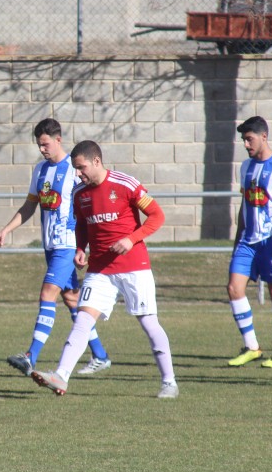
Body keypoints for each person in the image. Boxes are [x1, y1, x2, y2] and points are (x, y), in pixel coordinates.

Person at [30, 141, 179, 399]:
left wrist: (131, 239)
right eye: (75, 169)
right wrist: (80, 248)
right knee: (83, 320)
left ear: (96, 161)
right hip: (99, 270)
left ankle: (169, 382)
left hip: (134, 267)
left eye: (81, 167)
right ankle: (61, 376)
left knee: (148, 322)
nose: (78, 173)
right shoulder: (80, 194)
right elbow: (83, 226)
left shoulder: (126, 184)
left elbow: (157, 216)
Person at [0, 117, 110, 376]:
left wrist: (86, 246)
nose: (42, 149)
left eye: (45, 144)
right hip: (50, 245)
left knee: (48, 292)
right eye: (39, 145)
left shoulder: (74, 169)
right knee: (71, 299)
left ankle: (30, 356)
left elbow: (89, 205)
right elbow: (30, 205)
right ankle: (101, 355)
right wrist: (6, 230)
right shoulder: (40, 170)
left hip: (67, 245)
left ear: (58, 139)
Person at [225, 116, 272, 369]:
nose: (246, 144)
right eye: (244, 140)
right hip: (248, 240)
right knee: (234, 288)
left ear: (264, 136)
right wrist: (238, 239)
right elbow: (245, 205)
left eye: (250, 139)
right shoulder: (245, 166)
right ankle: (252, 347)